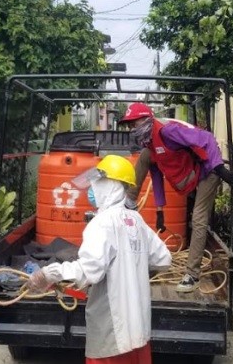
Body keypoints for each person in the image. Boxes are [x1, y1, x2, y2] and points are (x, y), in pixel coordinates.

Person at [27, 155, 172, 364]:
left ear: (109, 185)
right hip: (139, 330)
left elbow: (89, 271)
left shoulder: (102, 223)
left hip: (112, 332)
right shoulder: (136, 220)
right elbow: (163, 259)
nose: (91, 191)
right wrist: (132, 268)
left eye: (95, 184)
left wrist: (48, 273)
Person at [119, 102, 233, 293]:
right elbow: (156, 176)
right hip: (190, 174)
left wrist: (220, 169)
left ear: (147, 119)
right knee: (144, 156)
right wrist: (160, 209)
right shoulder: (149, 144)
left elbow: (206, 138)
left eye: (135, 123)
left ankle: (192, 275)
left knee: (198, 218)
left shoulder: (168, 131)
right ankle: (129, 201)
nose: (132, 128)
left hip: (208, 171)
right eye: (130, 125)